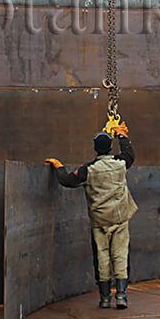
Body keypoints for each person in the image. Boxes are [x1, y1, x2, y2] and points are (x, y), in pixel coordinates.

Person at [47, 121, 135, 309]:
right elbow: (129, 155)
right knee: (120, 256)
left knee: (102, 258)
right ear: (111, 148)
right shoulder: (120, 165)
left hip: (99, 221)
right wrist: (122, 136)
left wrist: (58, 167)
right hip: (119, 218)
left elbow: (67, 181)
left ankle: (104, 299)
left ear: (95, 149)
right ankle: (121, 296)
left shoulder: (89, 170)